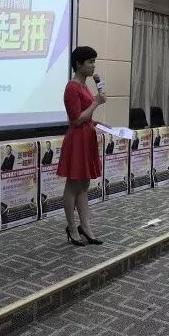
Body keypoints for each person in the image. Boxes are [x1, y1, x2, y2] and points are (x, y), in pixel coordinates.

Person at [57, 46, 106, 246]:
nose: (94, 66)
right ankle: (71, 227)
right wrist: (96, 102)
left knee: (84, 185)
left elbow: (86, 117)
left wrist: (99, 124)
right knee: (73, 185)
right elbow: (76, 119)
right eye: (90, 62)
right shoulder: (72, 87)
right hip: (77, 140)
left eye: (94, 61)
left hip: (87, 137)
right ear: (78, 64)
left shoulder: (84, 86)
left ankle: (85, 227)